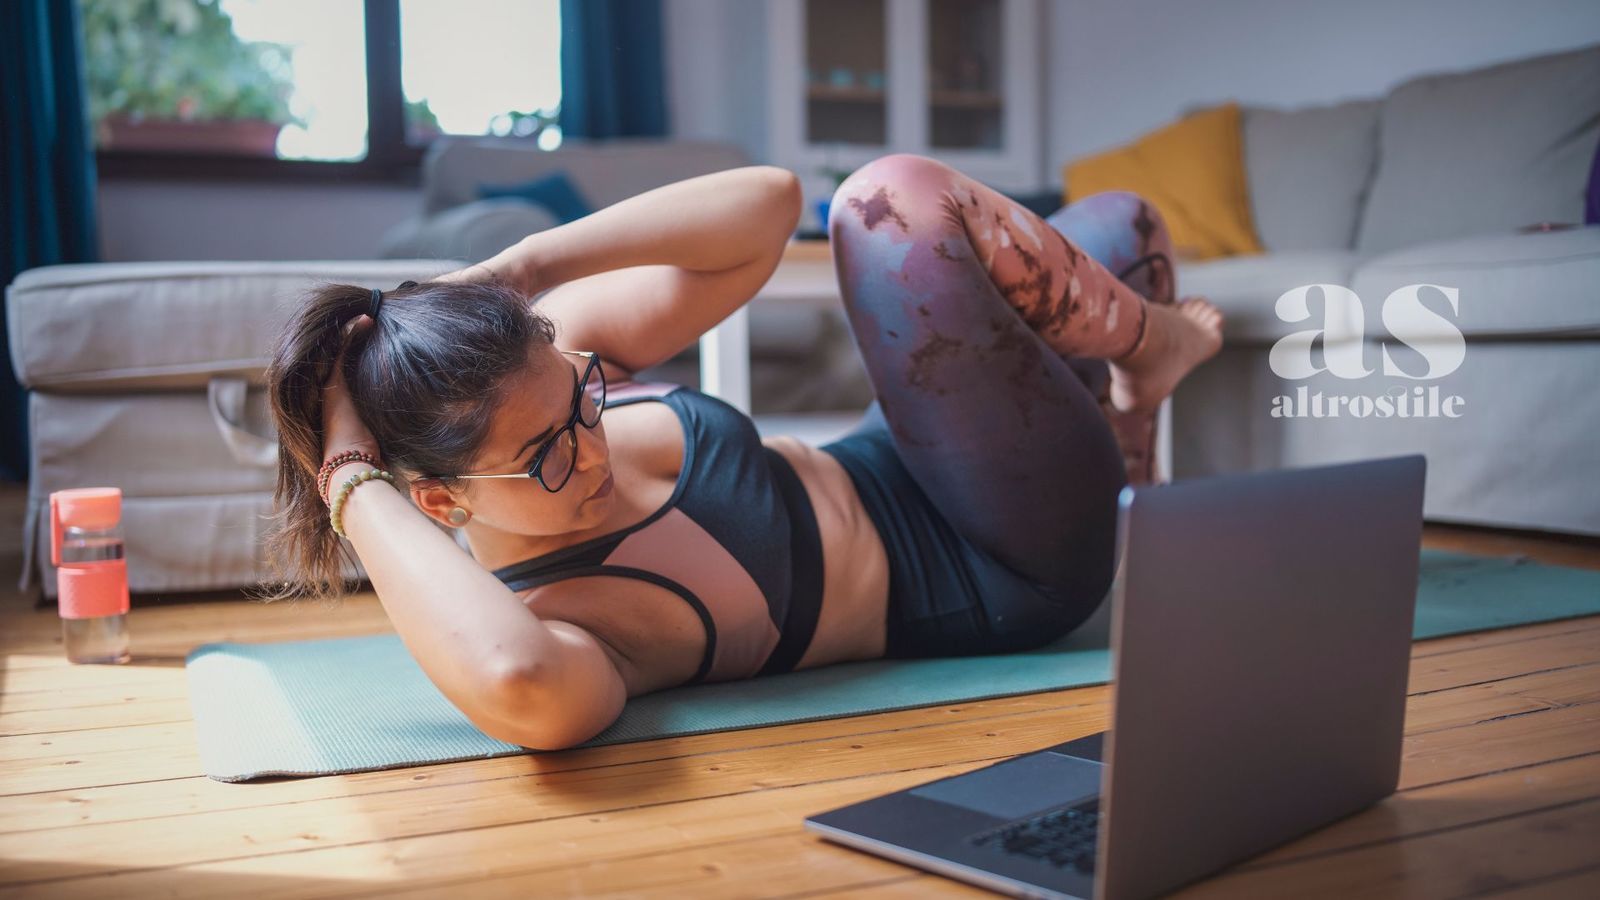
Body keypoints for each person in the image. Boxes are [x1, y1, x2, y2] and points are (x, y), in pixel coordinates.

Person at [263, 155, 1223, 751]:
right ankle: (1146, 366)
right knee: (892, 202)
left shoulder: (538, 374)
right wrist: (350, 475)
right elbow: (518, 687)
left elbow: (764, 207)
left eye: (584, 405)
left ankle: (1128, 418)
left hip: (909, 457)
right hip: (1002, 565)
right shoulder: (569, 624)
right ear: (439, 503)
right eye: (548, 460)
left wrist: (524, 269)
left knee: (1117, 234)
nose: (588, 452)